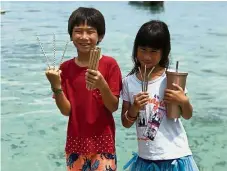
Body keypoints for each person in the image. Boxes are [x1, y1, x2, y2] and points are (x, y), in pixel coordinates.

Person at [45, 7, 122, 171]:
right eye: (78, 31)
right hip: (75, 143)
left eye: (90, 32)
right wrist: (56, 86)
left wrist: (102, 85)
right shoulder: (65, 68)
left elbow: (113, 106)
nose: (84, 37)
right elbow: (66, 111)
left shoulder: (110, 64)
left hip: (104, 143)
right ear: (71, 35)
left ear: (100, 36)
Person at [121, 20, 199, 171]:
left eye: (153, 51)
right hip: (146, 158)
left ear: (164, 52)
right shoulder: (129, 82)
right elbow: (125, 122)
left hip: (175, 156)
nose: (147, 57)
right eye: (143, 50)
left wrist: (183, 101)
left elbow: (187, 115)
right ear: (135, 49)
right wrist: (135, 108)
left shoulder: (171, 78)